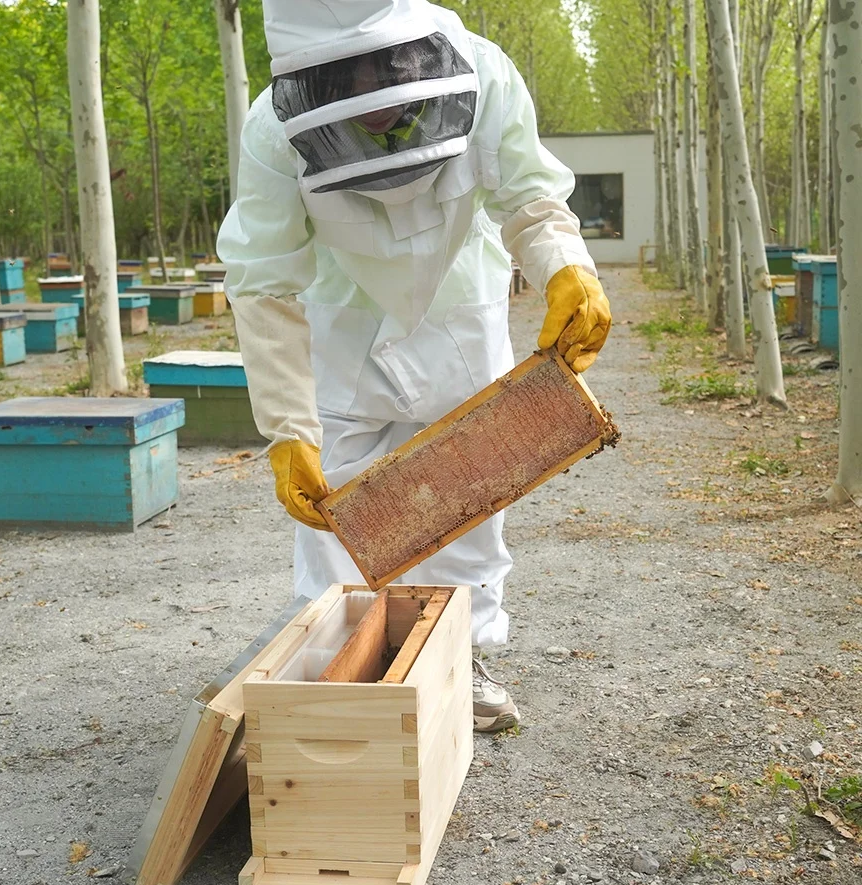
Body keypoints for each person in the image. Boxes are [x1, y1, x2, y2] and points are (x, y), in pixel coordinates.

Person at [217, 0, 612, 732]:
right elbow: (263, 279)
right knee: (336, 512)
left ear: (415, 56)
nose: (371, 103)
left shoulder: (484, 72)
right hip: (341, 318)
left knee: (469, 497)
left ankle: (466, 660)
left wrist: (566, 264)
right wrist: (286, 428)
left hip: (462, 303)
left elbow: (528, 195)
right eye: (346, 83)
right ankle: (340, 678)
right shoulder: (273, 129)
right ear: (310, 80)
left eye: (384, 74)